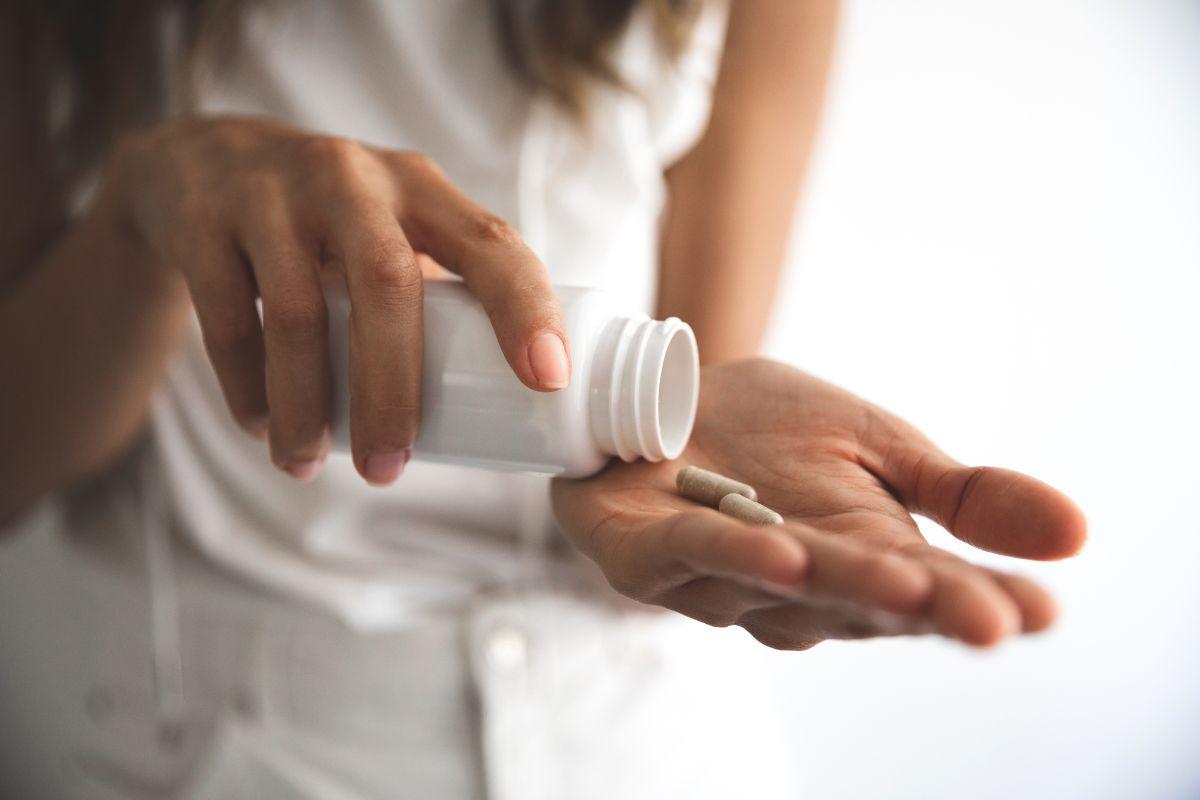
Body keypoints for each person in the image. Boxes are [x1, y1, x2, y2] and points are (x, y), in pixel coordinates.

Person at [0, 1, 1086, 797]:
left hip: (640, 739)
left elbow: (682, 398)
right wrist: (141, 217)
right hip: (195, 736)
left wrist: (687, 479)